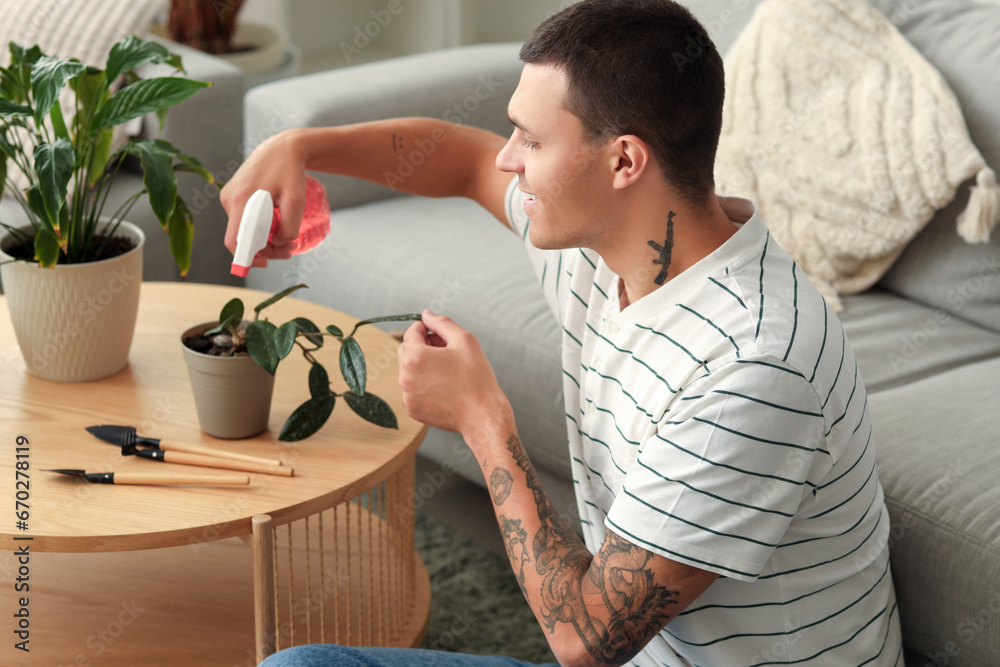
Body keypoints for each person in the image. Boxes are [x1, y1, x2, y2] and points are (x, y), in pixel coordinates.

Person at [224, 1, 904, 665]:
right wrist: (298, 147)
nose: (508, 159)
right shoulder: (604, 245)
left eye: (533, 140)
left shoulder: (753, 369)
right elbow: (460, 158)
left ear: (623, 162)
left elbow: (585, 638)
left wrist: (481, 417)